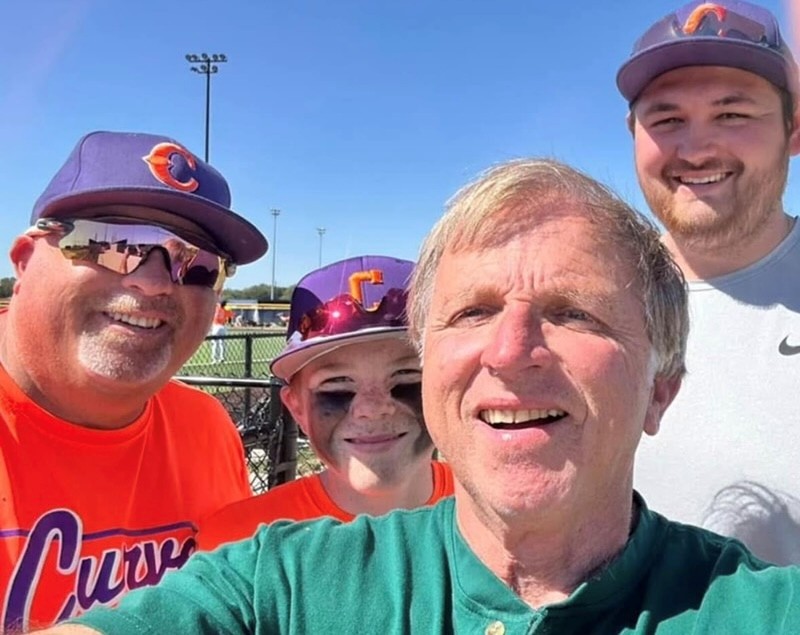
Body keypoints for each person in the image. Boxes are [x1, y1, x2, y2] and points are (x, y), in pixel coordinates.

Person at [39, 158, 800, 635]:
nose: (510, 350)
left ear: (661, 390)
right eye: (472, 313)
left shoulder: (760, 609)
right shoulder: (280, 579)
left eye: (574, 313)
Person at [0, 130, 268, 631]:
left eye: (197, 265)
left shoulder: (206, 428)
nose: (154, 281)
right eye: (111, 243)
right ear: (24, 260)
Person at [617, 0, 800, 564]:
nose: (695, 150)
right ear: (633, 134)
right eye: (667, 119)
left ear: (793, 131)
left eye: (733, 114)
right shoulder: (591, 297)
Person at [197, 256, 454, 550]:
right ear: (297, 407)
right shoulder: (239, 542)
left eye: (406, 376)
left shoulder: (493, 511)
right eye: (337, 384)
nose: (372, 409)